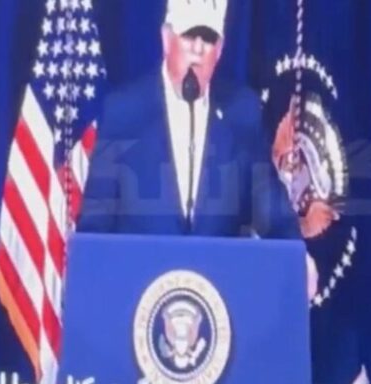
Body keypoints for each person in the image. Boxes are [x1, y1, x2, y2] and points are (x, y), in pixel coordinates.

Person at [77, 0, 318, 296]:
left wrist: (296, 256)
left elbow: (270, 207)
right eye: (189, 36)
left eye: (208, 38)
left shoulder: (242, 112)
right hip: (138, 296)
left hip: (220, 296)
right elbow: (96, 223)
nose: (198, 49)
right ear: (166, 39)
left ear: (220, 49)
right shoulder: (124, 111)